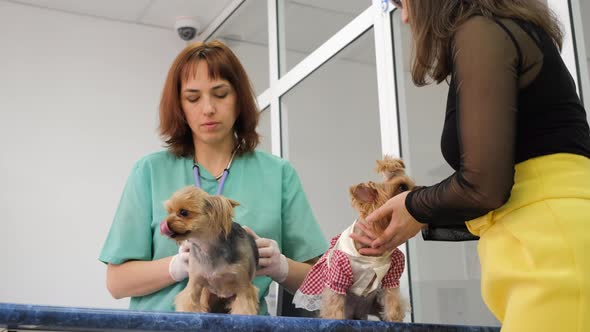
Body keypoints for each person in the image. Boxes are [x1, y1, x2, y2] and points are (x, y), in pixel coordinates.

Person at [351, 0, 590, 331]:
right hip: (543, 248)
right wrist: (415, 212)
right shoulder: (499, 30)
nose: (404, 16)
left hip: (552, 253)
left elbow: (484, 186)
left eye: (401, 2)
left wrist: (414, 205)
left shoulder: (482, 30)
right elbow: (497, 186)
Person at [99, 40, 328, 315]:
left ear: (239, 99)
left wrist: (280, 266)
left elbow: (325, 284)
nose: (207, 108)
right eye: (193, 98)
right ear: (180, 106)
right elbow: (117, 282)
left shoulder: (277, 174)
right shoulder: (149, 172)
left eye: (220, 94)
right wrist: (179, 265)